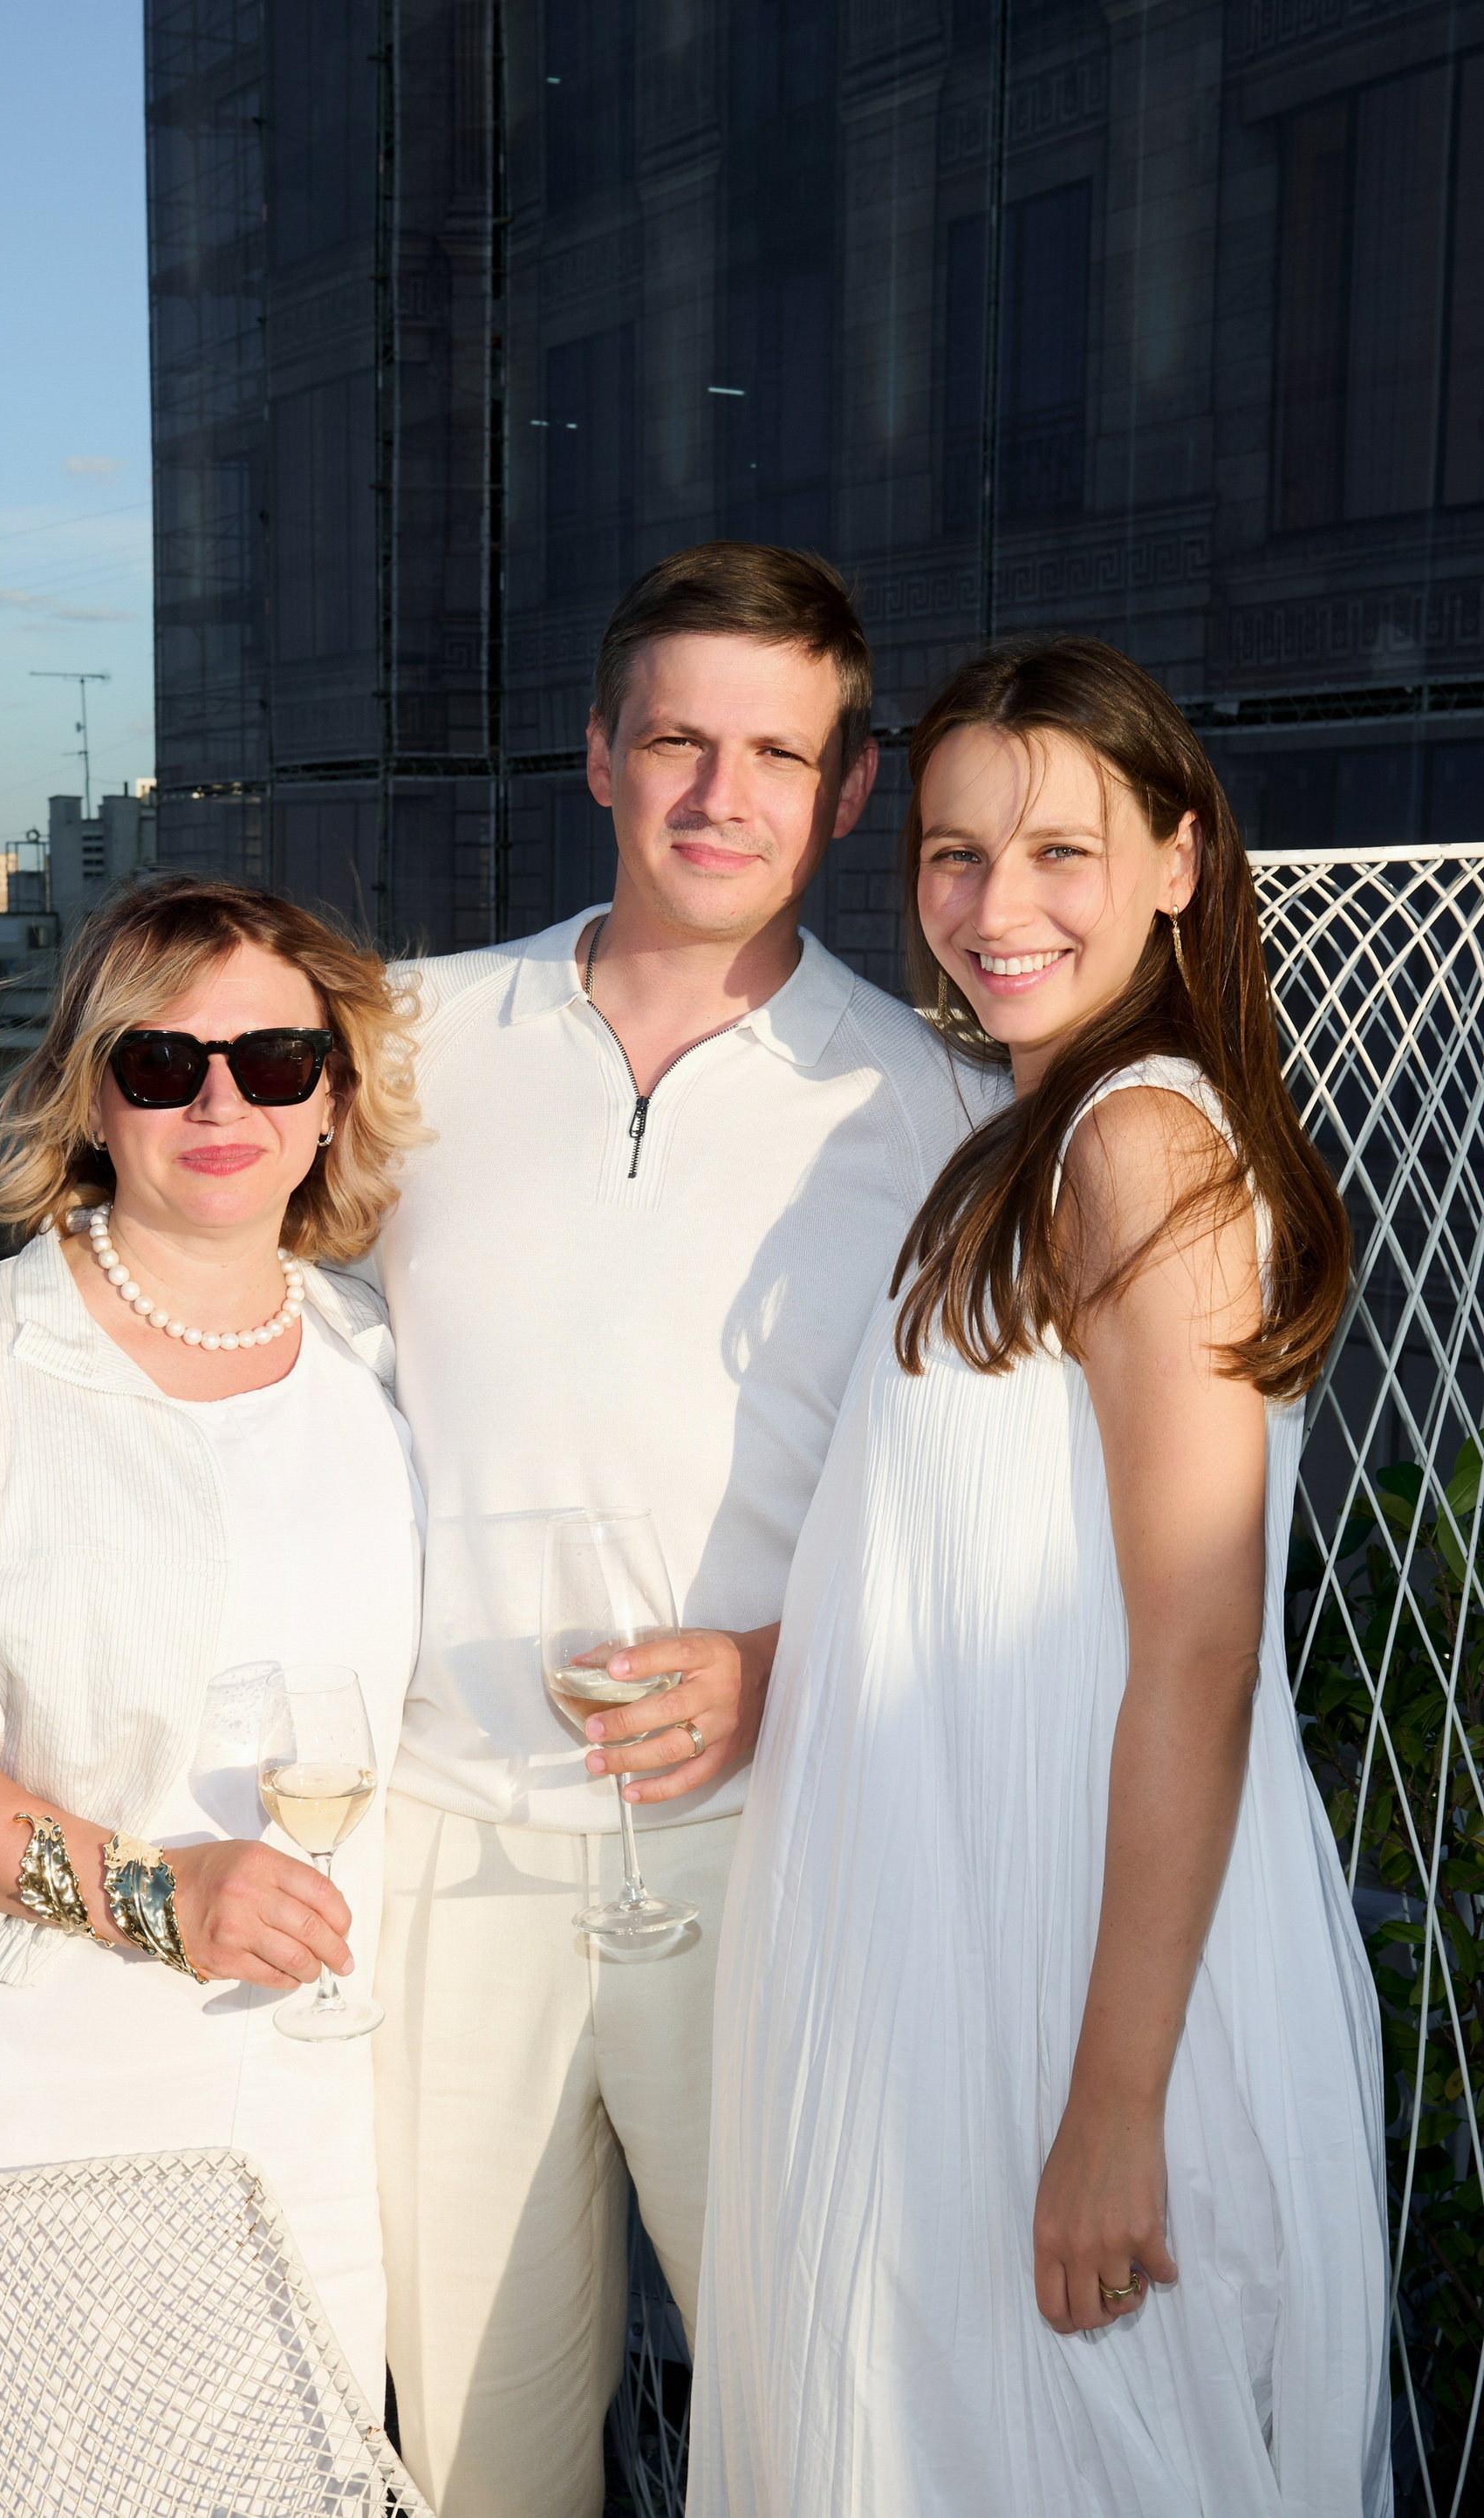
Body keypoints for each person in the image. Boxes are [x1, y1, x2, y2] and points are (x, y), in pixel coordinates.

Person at [690, 638, 1392, 2515]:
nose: (997, 908)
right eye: (955, 854)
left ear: (1178, 859)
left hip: (1070, 1976)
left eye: (1061, 851)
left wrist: (1112, 2105)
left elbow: (1203, 1648)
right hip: (985, 1935)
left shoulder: (1137, 1138)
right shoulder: (1041, 1133)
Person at [359, 543, 1003, 2517]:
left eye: (778, 754)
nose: (722, 796)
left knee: (817, 2438)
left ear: (852, 787)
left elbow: (985, 1519)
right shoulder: (400, 1040)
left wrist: (777, 1667)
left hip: (778, 1855)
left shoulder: (940, 1113)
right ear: (599, 756)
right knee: (471, 2460)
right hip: (443, 1854)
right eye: (677, 743)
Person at [0, 874, 423, 2408]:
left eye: (274, 1060)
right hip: (0, 2122)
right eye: (162, 1061)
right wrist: (156, 1896)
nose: (222, 1099)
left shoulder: (381, 1365)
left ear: (332, 1099)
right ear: (92, 1096)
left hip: (301, 2127)